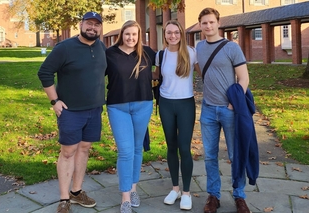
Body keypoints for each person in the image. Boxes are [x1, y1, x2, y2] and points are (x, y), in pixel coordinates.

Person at [37, 11, 106, 213]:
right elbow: (44, 72)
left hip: (94, 110)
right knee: (68, 152)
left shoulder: (101, 47)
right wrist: (54, 101)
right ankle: (64, 199)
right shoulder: (65, 48)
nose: (92, 28)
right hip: (71, 111)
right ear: (81, 24)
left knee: (84, 148)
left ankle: (76, 192)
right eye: (89, 24)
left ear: (100, 27)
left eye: (96, 25)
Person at [196, 8, 251, 213]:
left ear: (218, 23)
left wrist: (234, 103)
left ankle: (239, 196)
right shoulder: (199, 47)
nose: (208, 26)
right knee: (210, 156)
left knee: (235, 154)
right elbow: (199, 70)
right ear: (200, 25)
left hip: (229, 110)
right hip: (208, 109)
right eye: (204, 23)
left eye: (211, 22)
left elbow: (244, 78)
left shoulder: (231, 47)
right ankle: (213, 196)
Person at [105, 20, 156, 213]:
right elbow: (94, 74)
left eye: (134, 34)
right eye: (127, 34)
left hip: (143, 105)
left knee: (136, 149)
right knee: (125, 151)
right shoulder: (109, 54)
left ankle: (134, 188)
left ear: (139, 35)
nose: (131, 38)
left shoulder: (147, 52)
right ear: (121, 34)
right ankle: (125, 197)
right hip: (118, 106)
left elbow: (171, 60)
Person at [152, 20, 201, 210]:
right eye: (169, 33)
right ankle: (175, 189)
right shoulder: (160, 55)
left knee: (184, 148)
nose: (173, 36)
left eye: (176, 32)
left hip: (185, 104)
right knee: (171, 146)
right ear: (165, 35)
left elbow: (204, 74)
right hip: (166, 103)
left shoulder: (191, 52)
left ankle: (187, 192)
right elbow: (156, 76)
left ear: (181, 34)